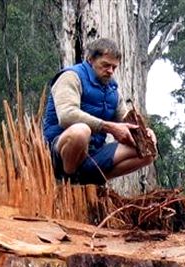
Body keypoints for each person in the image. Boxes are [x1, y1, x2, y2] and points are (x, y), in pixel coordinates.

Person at [42, 38, 156, 185]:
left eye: (114, 67)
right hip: (59, 153)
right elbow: (66, 115)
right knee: (81, 132)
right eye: (105, 65)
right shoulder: (71, 77)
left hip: (92, 155)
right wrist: (109, 127)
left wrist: (144, 133)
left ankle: (93, 181)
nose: (110, 71)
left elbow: (125, 121)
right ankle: (68, 182)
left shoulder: (113, 91)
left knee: (147, 152)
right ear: (90, 60)